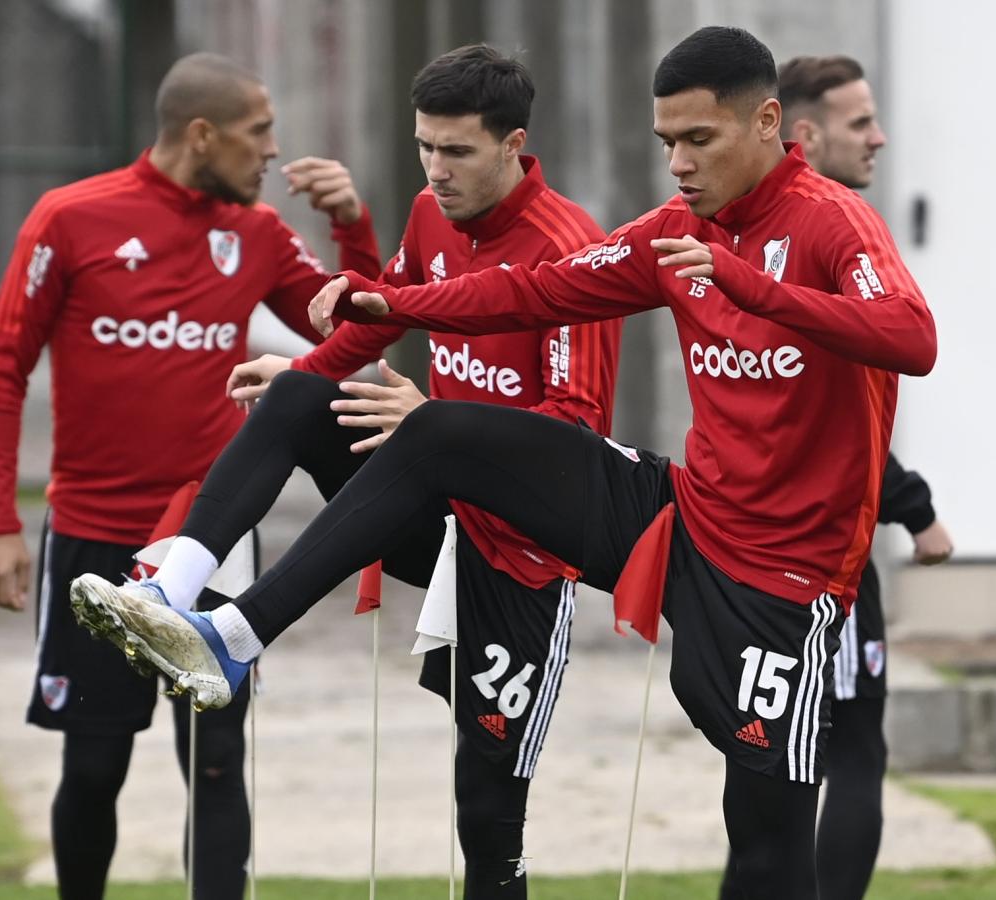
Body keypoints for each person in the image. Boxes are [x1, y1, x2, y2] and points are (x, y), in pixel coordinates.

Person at [72, 27, 936, 900]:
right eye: (665, 141)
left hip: (783, 582)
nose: (677, 163)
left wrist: (748, 286)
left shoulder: (832, 222)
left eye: (698, 140)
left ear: (768, 124)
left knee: (765, 847)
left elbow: (913, 336)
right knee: (434, 432)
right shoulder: (676, 228)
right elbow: (538, 288)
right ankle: (228, 633)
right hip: (681, 516)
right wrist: (393, 302)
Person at [73, 44, 619, 898]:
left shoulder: (570, 249)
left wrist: (442, 427)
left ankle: (230, 634)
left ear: (516, 144)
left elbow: (579, 436)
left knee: (485, 816)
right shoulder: (431, 215)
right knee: (294, 398)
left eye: (459, 152)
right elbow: (373, 320)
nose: (436, 171)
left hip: (521, 544)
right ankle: (176, 596)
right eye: (425, 148)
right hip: (435, 513)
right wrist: (311, 371)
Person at [0, 52, 380, 900]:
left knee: (221, 764)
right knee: (93, 764)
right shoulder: (70, 218)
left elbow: (362, 327)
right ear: (203, 134)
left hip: (214, 540)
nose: (272, 151)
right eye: (258, 131)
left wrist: (353, 227)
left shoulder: (260, 235)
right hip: (89, 535)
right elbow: (4, 367)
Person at [716, 54, 956, 900]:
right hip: (819, 563)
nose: (881, 137)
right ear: (804, 133)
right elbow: (830, 432)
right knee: (841, 754)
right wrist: (917, 510)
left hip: (756, 558)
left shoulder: (772, 231)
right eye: (862, 122)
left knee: (772, 765)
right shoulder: (821, 230)